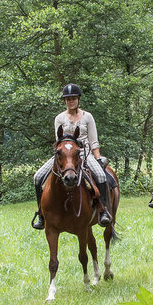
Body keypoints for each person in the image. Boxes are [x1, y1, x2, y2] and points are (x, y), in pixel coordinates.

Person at [31, 83, 114, 230]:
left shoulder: (87, 117)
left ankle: (103, 211)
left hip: (84, 153)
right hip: (63, 154)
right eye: (68, 99)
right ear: (65, 101)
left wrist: (98, 157)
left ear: (78, 99)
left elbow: (93, 141)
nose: (71, 101)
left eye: (74, 98)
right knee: (37, 177)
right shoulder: (59, 118)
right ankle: (41, 215)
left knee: (101, 176)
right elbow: (58, 142)